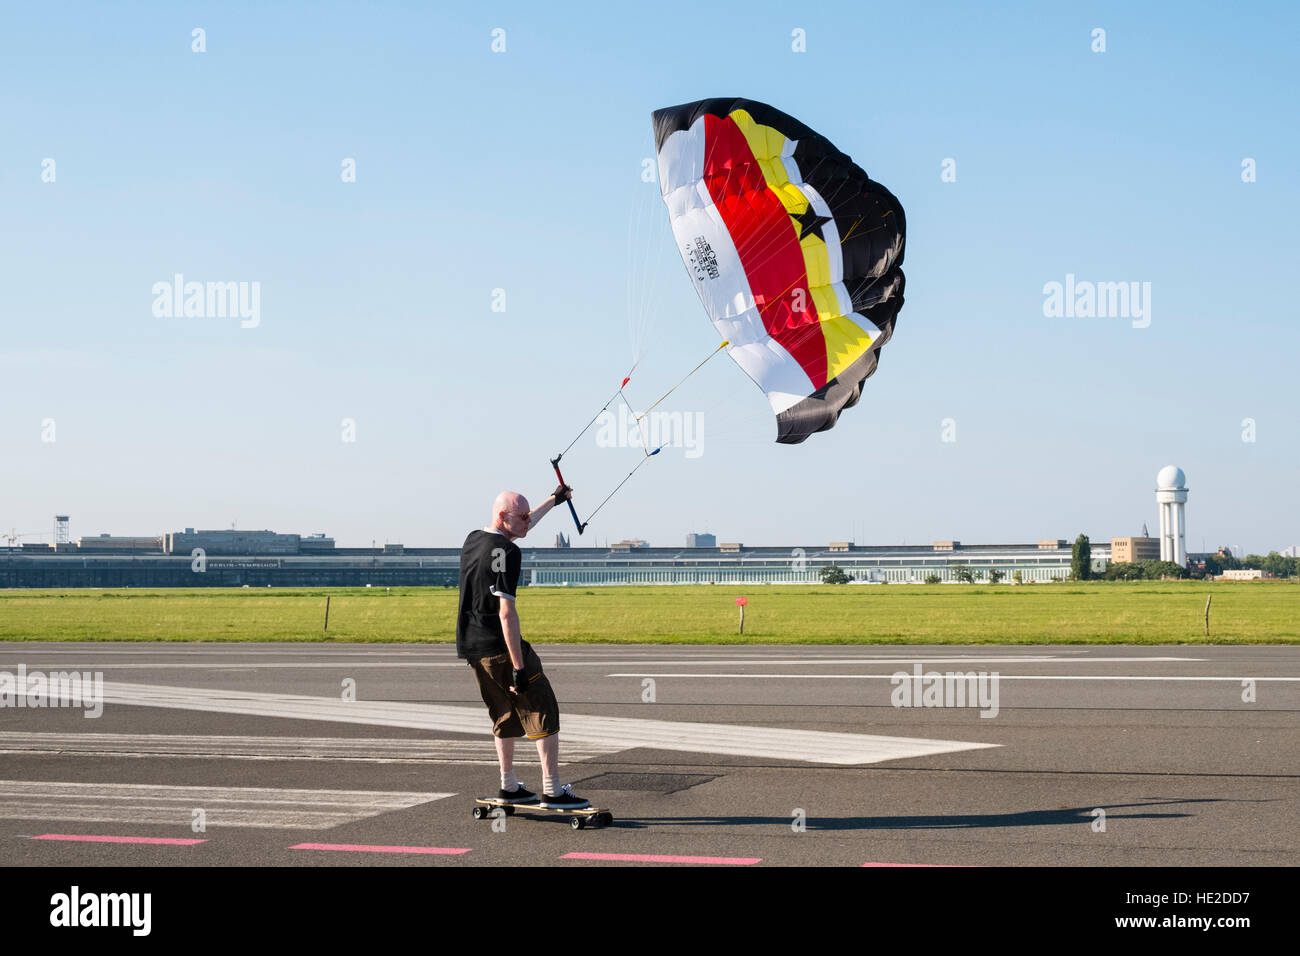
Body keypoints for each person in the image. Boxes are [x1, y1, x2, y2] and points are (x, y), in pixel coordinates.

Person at [456, 485, 590, 809]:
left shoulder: (474, 539)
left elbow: (517, 530)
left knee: (504, 715)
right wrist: (518, 668)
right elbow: (506, 613)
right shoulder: (509, 553)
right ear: (503, 517)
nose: (529, 522)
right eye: (523, 516)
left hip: (472, 648)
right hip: (500, 646)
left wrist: (553, 502)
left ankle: (508, 785)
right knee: (543, 708)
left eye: (530, 515)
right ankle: (553, 790)